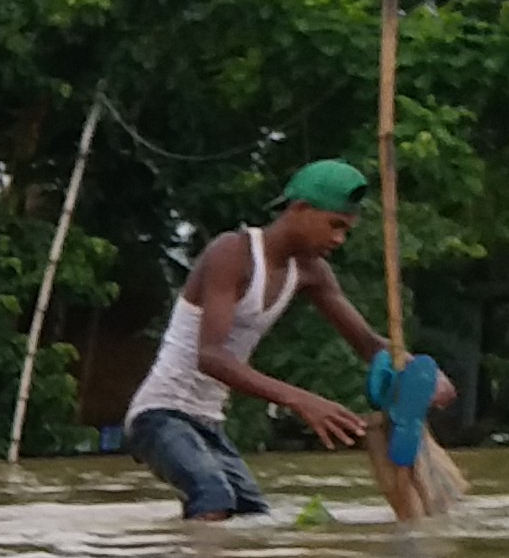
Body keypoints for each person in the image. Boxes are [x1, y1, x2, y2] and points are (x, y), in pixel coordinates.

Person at [126, 161, 386, 520]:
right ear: (300, 210)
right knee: (213, 496)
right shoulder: (232, 253)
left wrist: (422, 370)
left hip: (207, 421)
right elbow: (211, 357)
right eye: (335, 225)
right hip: (159, 414)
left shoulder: (311, 271)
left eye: (346, 230)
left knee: (253, 517)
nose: (339, 239)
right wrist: (300, 400)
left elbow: (369, 344)